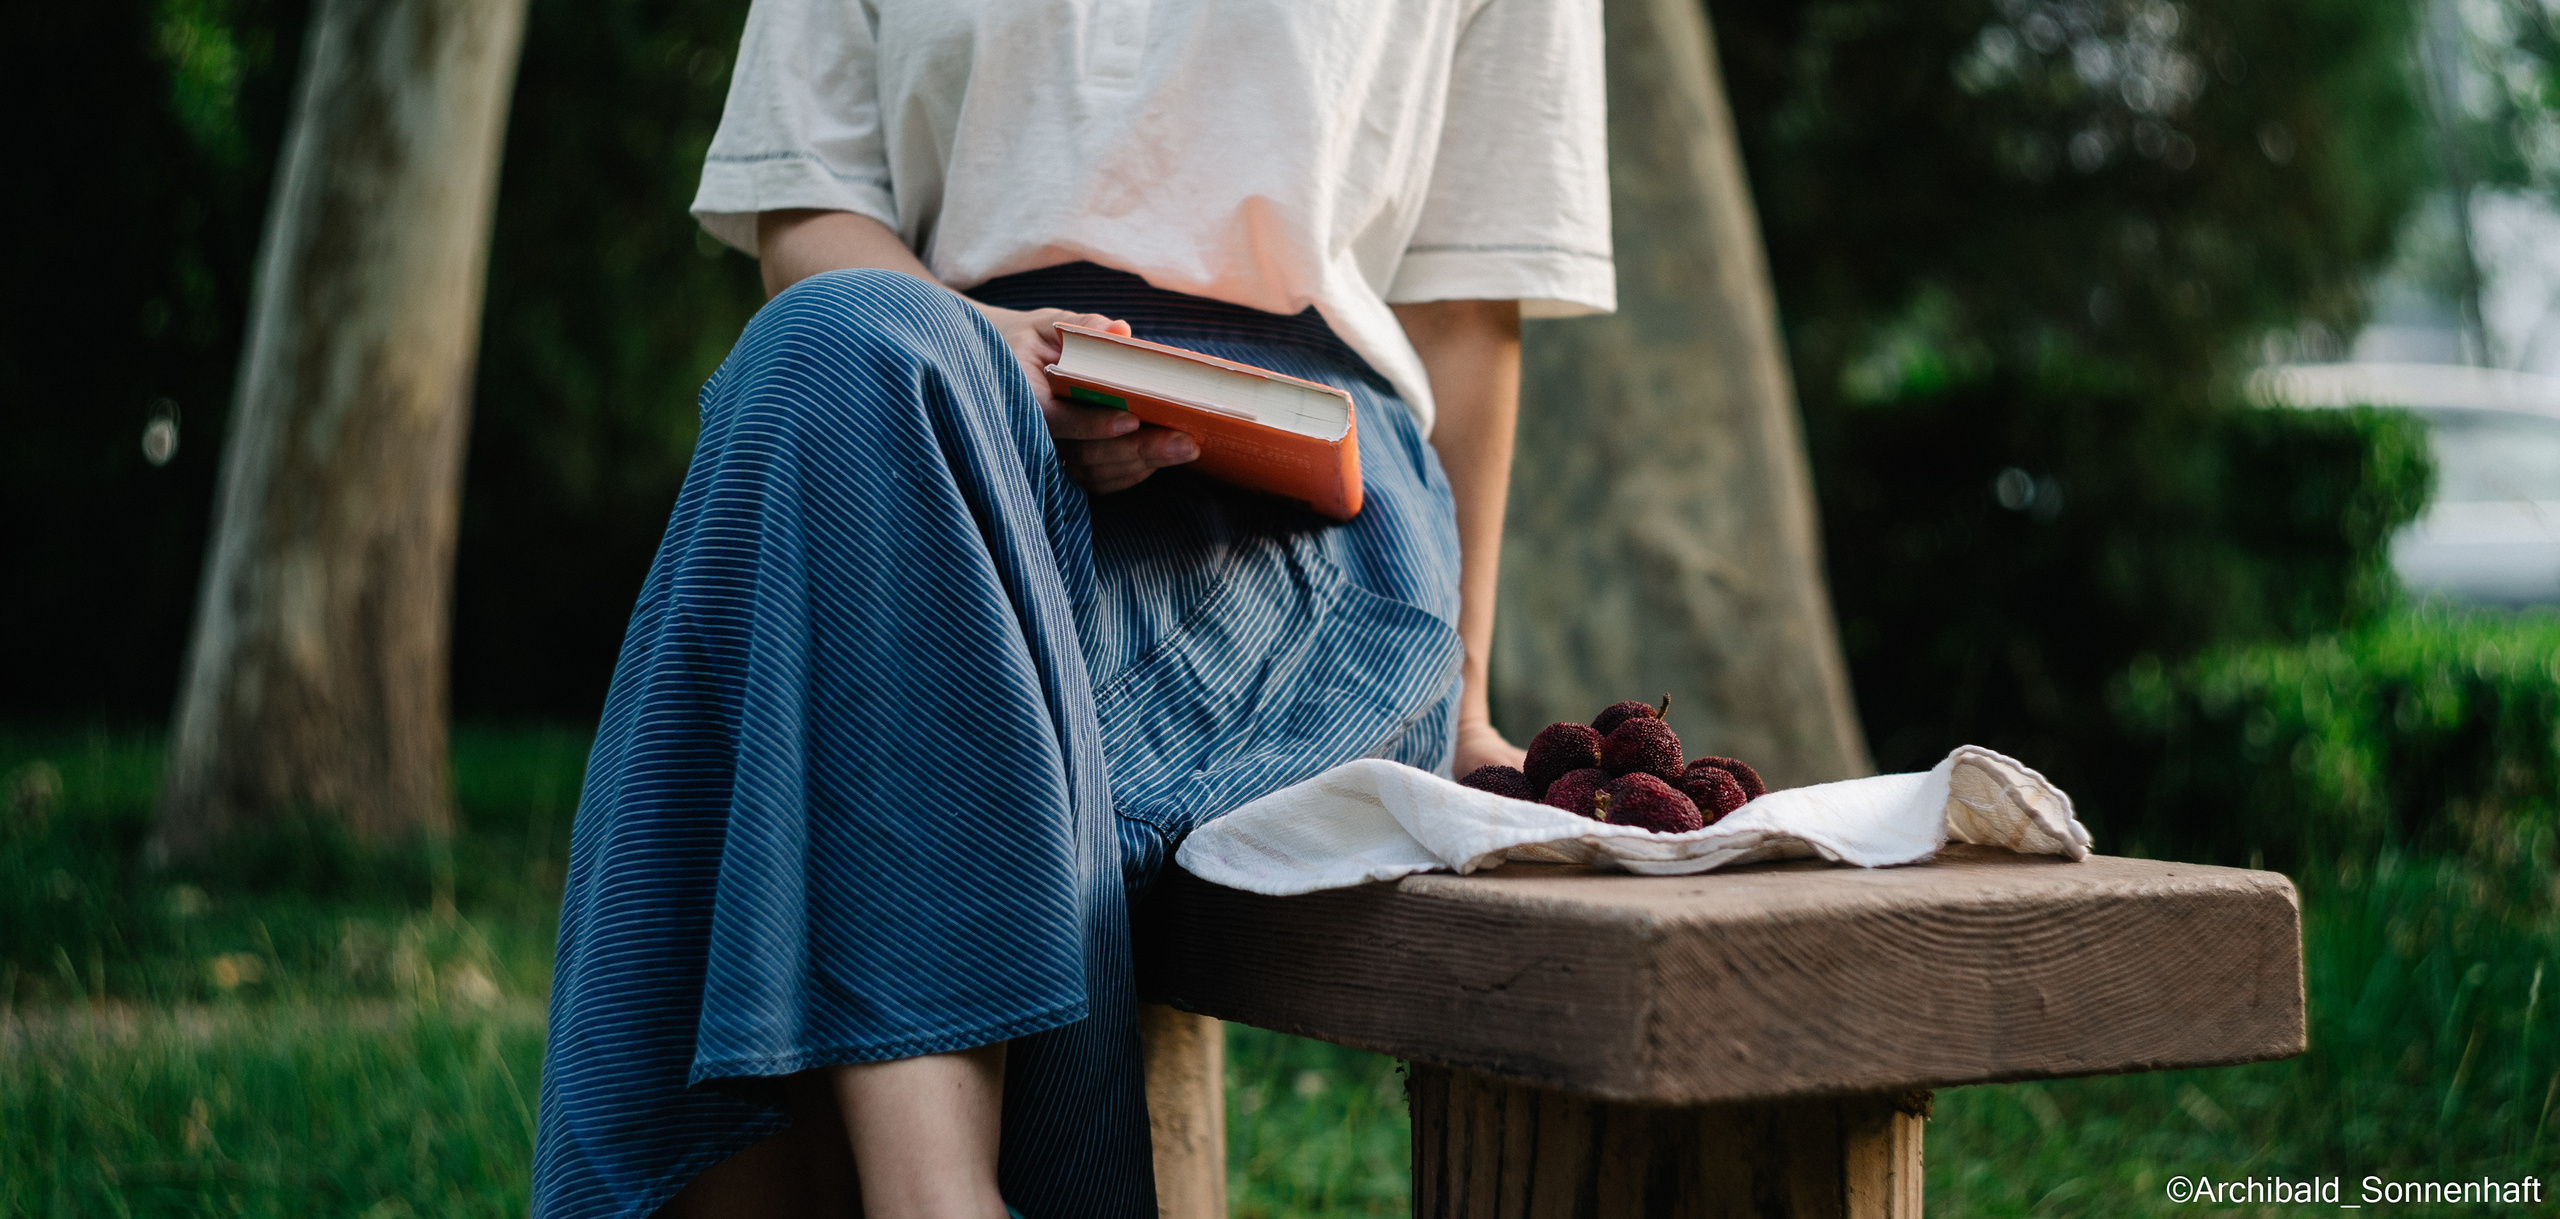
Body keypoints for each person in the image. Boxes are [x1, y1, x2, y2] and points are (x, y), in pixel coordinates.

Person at [528, 2, 1611, 1216]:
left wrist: (1461, 696)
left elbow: (1463, 314)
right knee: (835, 341)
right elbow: (808, 214)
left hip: (1297, 513)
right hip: (920, 427)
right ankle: (938, 1194)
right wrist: (1001, 361)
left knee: (778, 730)